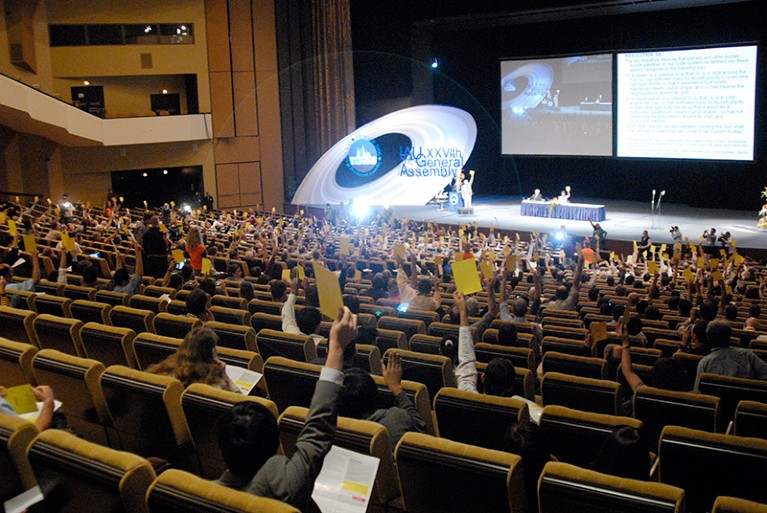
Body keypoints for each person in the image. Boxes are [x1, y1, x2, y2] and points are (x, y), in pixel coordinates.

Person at [215, 307, 357, 512]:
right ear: (276, 446)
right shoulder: (286, 489)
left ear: (221, 449)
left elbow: (317, 431)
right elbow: (317, 429)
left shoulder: (194, 492)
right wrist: (337, 347)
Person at [338, 352, 425, 448]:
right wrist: (396, 387)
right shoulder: (396, 419)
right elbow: (421, 428)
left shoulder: (327, 427)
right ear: (375, 396)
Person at [147, 327, 238, 392]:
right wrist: (225, 376)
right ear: (210, 352)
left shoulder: (162, 370)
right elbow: (238, 400)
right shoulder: (215, 382)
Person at [694, 319, 767, 390]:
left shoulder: (704, 363)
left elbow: (698, 390)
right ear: (729, 336)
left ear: (708, 338)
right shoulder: (747, 355)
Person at [281, 275, 323, 346]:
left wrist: (293, 291)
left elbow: (287, 311)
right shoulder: (322, 343)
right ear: (318, 328)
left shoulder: (290, 332)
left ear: (297, 323)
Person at [141, 215, 170, 279]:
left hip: (149, 262)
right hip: (161, 263)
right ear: (158, 222)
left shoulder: (145, 235)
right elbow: (167, 245)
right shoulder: (162, 234)